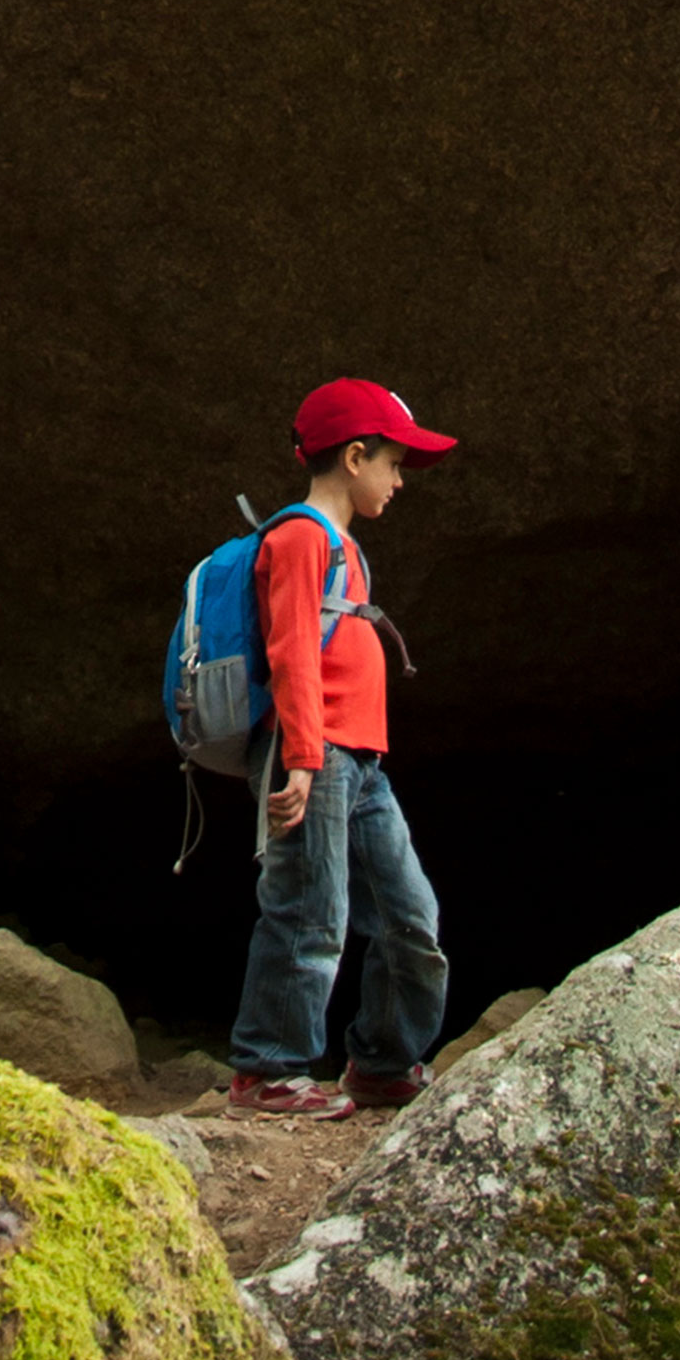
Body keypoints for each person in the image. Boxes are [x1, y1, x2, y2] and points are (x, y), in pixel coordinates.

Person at [226, 379, 456, 1117]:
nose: (398, 480)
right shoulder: (300, 537)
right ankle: (267, 1068)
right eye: (392, 463)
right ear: (354, 457)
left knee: (409, 916)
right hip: (315, 756)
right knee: (309, 910)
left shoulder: (345, 548)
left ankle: (383, 1061)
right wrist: (300, 755)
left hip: (361, 763)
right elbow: (293, 651)